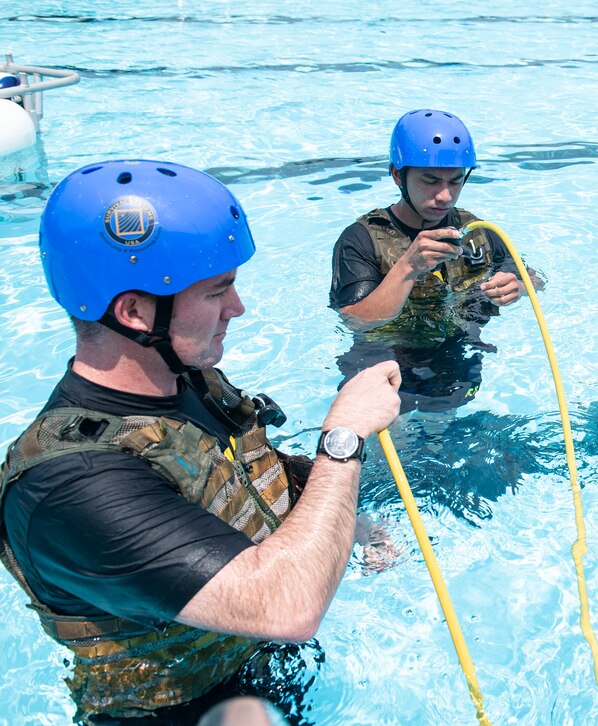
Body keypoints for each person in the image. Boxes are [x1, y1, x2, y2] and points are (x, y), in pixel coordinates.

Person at [0, 160, 402, 722]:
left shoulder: (189, 382)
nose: (237, 309)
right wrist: (344, 436)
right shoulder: (70, 485)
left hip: (256, 667)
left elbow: (242, 471)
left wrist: (352, 527)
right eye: (218, 291)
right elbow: (287, 608)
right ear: (135, 311)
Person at [329, 109, 535, 413]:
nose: (445, 196)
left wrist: (517, 285)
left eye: (455, 181)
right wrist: (408, 266)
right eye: (431, 181)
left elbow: (528, 273)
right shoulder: (361, 239)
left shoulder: (475, 231)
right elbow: (356, 320)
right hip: (384, 364)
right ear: (398, 174)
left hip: (457, 358)